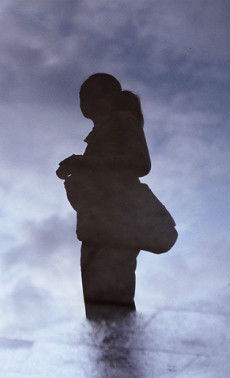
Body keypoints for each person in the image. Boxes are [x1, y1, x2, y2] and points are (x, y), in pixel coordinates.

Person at [56, 73, 151, 318]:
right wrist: (74, 178)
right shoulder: (98, 136)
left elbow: (140, 163)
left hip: (116, 229)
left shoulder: (122, 120)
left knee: (113, 312)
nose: (83, 102)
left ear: (108, 96)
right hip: (95, 233)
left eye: (88, 94)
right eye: (81, 97)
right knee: (99, 316)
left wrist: (84, 164)